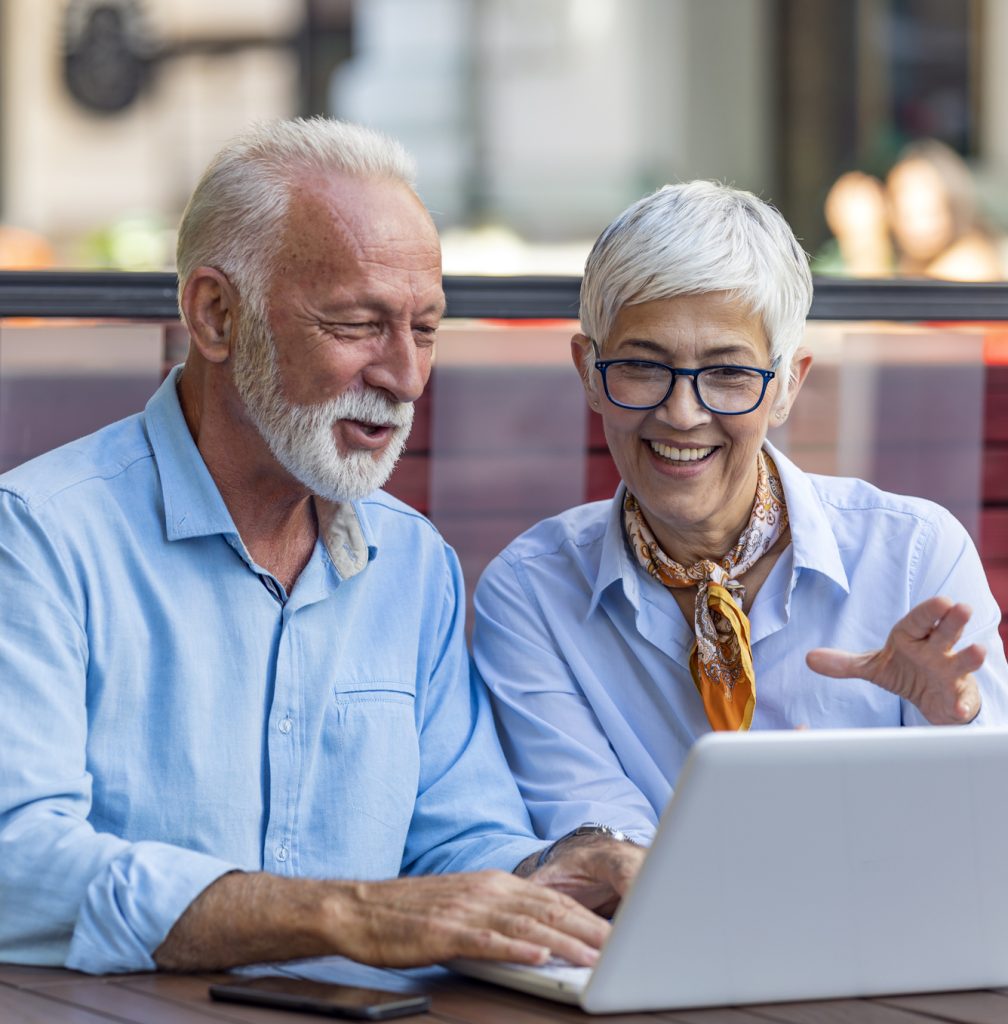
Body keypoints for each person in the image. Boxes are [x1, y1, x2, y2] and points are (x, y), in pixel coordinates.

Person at [0, 118, 643, 975]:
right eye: (357, 324)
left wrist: (556, 871)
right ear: (216, 315)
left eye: (425, 329)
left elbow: (457, 838)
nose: (405, 376)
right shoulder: (38, 538)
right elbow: (17, 867)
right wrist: (342, 915)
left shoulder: (413, 561)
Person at [472, 181, 1008, 844]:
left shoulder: (914, 558)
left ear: (787, 386)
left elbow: (984, 843)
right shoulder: (532, 592)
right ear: (589, 372)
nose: (682, 413)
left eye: (728, 373)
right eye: (642, 366)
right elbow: (602, 853)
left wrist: (956, 729)